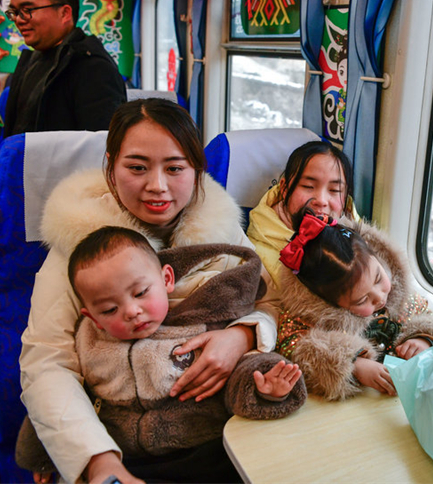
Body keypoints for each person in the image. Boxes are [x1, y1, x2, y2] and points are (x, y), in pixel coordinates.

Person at [19, 98, 281, 484]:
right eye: (137, 168)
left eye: (175, 168)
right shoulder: (77, 246)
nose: (157, 186)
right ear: (111, 167)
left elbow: (270, 301)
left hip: (218, 426)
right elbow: (47, 363)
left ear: (196, 170)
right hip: (117, 437)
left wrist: (242, 336)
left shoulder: (224, 231)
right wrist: (98, 458)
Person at [16, 226, 305, 484]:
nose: (131, 311)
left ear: (166, 278)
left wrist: (266, 388)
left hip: (203, 453)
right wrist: (41, 452)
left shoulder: (196, 326)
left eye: (141, 292)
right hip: (128, 460)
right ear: (90, 316)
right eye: (108, 310)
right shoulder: (88, 344)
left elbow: (234, 375)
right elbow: (63, 396)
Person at [276, 209, 433, 401]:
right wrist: (354, 365)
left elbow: (427, 317)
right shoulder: (309, 320)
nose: (380, 298)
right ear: (330, 304)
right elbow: (293, 348)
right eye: (362, 300)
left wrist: (424, 339)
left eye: (379, 278)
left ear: (377, 257)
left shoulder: (401, 297)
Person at [3, 0, 126, 136]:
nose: (18, 20)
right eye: (14, 12)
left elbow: (101, 148)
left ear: (64, 13)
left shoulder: (92, 67)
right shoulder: (33, 59)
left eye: (27, 10)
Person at [247, 140, 358, 286]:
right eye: (308, 186)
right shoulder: (256, 256)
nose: (321, 200)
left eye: (334, 190)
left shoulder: (361, 243)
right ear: (284, 190)